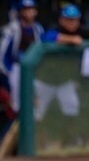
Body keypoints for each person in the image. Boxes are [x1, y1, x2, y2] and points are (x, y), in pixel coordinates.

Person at [34, 3, 85, 147]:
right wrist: (71, 40)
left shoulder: (82, 32)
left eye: (74, 19)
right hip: (45, 81)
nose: (72, 22)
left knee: (72, 107)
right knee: (38, 113)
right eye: (68, 19)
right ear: (61, 20)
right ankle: (36, 143)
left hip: (65, 81)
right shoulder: (53, 30)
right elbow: (48, 38)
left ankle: (70, 140)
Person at [0, 0, 44, 114]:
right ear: (20, 11)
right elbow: (1, 56)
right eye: (25, 9)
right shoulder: (11, 28)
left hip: (34, 68)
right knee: (16, 105)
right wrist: (8, 73)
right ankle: (18, 130)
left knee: (37, 104)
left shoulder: (38, 28)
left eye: (31, 9)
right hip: (16, 67)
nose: (29, 12)